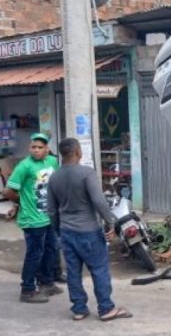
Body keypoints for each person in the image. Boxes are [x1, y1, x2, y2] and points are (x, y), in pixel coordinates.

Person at [47, 137, 132, 322]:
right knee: (99, 270)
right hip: (89, 232)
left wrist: (58, 231)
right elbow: (99, 201)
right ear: (78, 152)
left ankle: (79, 309)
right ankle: (106, 308)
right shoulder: (87, 173)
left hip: (67, 232)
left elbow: (51, 210)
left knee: (73, 272)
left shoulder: (54, 177)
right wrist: (110, 223)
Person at [4, 133, 63, 303]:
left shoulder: (52, 162)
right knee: (34, 254)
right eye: (33, 147)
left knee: (51, 250)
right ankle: (27, 289)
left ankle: (47, 283)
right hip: (32, 218)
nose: (36, 150)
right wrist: (20, 204)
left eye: (40, 147)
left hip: (49, 216)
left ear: (47, 149)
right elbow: (9, 191)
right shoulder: (24, 166)